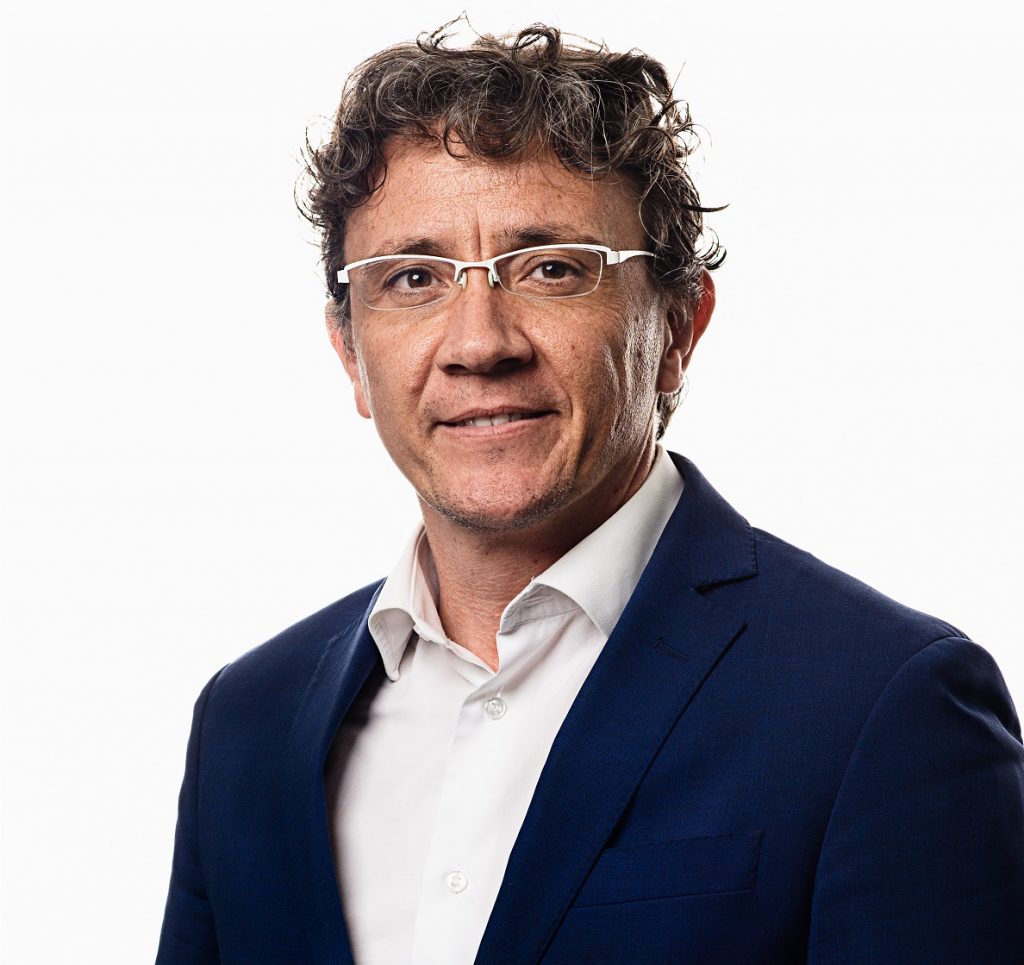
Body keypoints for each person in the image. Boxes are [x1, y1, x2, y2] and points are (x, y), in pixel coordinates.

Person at [156, 22, 1024, 965]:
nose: (479, 343)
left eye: (552, 268)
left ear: (678, 328)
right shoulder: (248, 724)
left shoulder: (883, 705)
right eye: (412, 277)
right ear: (350, 352)